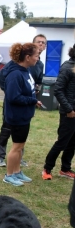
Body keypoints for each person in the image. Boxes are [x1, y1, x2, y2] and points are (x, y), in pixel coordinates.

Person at [0, 34, 47, 167]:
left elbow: (38, 80)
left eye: (44, 43)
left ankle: (18, 158)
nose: (41, 44)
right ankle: (0, 156)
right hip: (15, 102)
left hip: (26, 103)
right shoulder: (17, 64)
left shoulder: (39, 64)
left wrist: (35, 90)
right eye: (39, 42)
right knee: (7, 128)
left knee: (21, 134)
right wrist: (10, 91)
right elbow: (4, 78)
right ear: (33, 44)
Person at [3, 43, 42, 186]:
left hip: (24, 116)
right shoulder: (15, 74)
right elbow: (13, 97)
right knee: (16, 147)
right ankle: (9, 175)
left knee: (20, 146)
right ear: (27, 57)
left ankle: (17, 171)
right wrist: (32, 100)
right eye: (36, 55)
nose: (37, 58)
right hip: (17, 116)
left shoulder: (25, 71)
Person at [42, 44, 75, 180]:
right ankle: (47, 168)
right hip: (69, 112)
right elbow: (58, 90)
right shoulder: (67, 67)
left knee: (73, 142)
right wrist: (69, 109)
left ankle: (65, 169)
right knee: (62, 142)